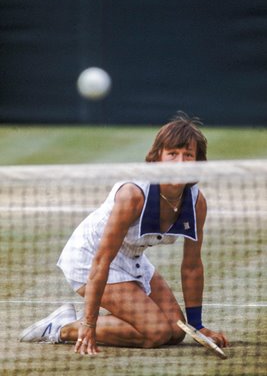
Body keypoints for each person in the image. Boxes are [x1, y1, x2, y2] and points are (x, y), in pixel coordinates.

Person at [20, 112, 228, 355]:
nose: (180, 162)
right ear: (157, 158)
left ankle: (97, 318)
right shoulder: (133, 195)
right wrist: (89, 322)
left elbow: (192, 266)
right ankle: (62, 327)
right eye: (172, 154)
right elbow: (101, 260)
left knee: (176, 331)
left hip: (132, 258)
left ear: (197, 162)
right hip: (90, 258)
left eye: (187, 155)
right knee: (156, 332)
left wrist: (198, 326)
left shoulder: (195, 203)